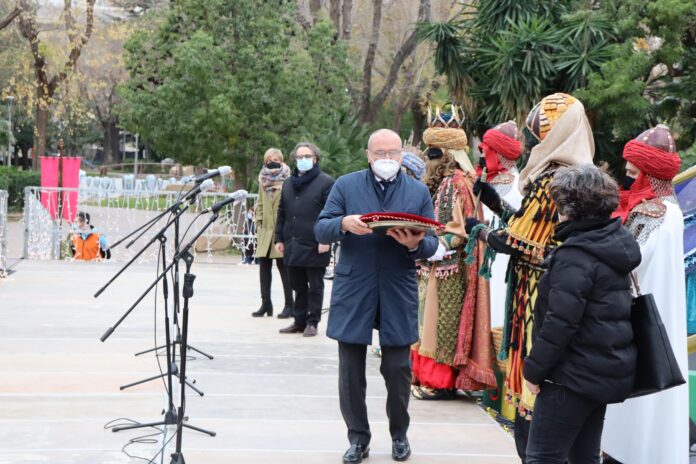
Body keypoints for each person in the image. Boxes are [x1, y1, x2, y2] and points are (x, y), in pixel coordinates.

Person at [465, 93, 595, 461]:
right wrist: (496, 204)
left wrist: (479, 230)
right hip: (569, 288)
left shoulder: (552, 179)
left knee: (533, 393)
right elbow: (533, 226)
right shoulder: (585, 175)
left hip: (538, 294)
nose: (539, 140)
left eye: (543, 133)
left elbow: (516, 243)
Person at [315, 128, 439, 463]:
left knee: (398, 369)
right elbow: (321, 227)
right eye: (380, 153)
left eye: (393, 153)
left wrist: (415, 244)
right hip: (355, 286)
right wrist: (344, 222)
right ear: (368, 155)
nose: (387, 159)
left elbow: (432, 241)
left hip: (397, 287)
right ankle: (358, 438)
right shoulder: (346, 185)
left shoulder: (417, 191)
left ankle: (399, 434)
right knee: (351, 371)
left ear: (402, 155)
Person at [521, 164, 640, 464]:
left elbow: (559, 324)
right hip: (601, 373)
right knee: (584, 457)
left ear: (569, 208)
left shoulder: (575, 256)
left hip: (570, 377)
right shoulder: (613, 243)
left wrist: (534, 371)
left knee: (542, 456)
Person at [602, 124, 689, 464]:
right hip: (657, 319)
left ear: (648, 174)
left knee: (636, 412)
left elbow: (625, 263)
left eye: (633, 174)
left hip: (637, 321)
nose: (627, 180)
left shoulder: (651, 213)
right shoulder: (673, 212)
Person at [411, 106, 496, 400]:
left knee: (438, 324)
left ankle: (438, 381)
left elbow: (459, 228)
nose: (428, 158)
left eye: (434, 152)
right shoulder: (452, 181)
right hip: (439, 264)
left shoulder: (454, 182)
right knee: (431, 322)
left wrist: (437, 247)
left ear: (447, 154)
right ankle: (428, 378)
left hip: (446, 267)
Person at [275, 142, 334, 337]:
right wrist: (279, 239)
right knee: (297, 285)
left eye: (307, 156)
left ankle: (312, 322)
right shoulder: (288, 183)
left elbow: (331, 213)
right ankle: (299, 321)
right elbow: (282, 212)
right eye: (299, 157)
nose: (303, 160)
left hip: (316, 243)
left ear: (315, 158)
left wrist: (326, 239)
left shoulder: (326, 182)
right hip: (292, 241)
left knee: (315, 286)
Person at [478, 121, 524, 328]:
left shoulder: (520, 186)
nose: (482, 155)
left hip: (504, 259)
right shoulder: (480, 182)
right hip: (477, 257)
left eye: (486, 150)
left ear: (499, 153)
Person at [251, 148, 294, 318]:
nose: (272, 161)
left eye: (276, 158)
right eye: (269, 159)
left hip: (281, 230)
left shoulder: (289, 180)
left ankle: (289, 305)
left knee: (284, 269)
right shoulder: (263, 179)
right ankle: (266, 304)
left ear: (282, 160)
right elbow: (260, 202)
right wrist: (259, 222)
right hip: (265, 230)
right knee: (264, 268)